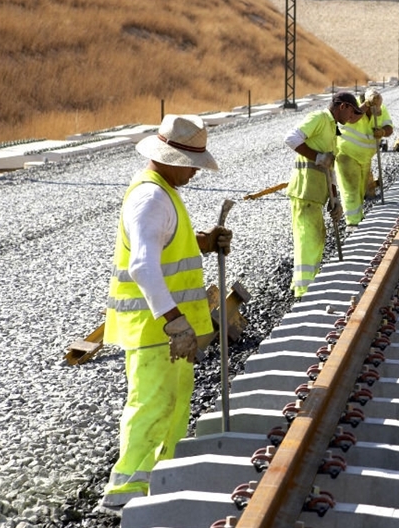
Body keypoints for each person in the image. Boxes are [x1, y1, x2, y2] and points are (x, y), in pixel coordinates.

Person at [100, 114, 232, 510]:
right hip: (156, 330)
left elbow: (166, 244)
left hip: (172, 332)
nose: (193, 173)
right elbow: (143, 265)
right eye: (190, 164)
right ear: (169, 157)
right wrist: (174, 322)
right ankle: (123, 494)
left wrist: (204, 242)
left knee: (173, 404)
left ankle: (161, 482)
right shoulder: (151, 196)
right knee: (152, 406)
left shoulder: (164, 192)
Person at [284, 91, 364, 297]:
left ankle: (302, 285)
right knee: (309, 239)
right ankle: (304, 291)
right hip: (305, 190)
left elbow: (330, 168)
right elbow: (291, 138)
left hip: (316, 193)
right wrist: (318, 157)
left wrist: (335, 200)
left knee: (317, 237)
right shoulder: (319, 118)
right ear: (343, 106)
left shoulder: (332, 128)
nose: (352, 117)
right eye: (352, 112)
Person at [336, 88, 394, 225]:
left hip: (365, 158)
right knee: (351, 189)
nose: (375, 112)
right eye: (372, 108)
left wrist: (383, 132)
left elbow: (389, 127)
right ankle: (353, 223)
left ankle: (358, 218)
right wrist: (365, 106)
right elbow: (351, 119)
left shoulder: (381, 108)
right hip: (346, 155)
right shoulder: (352, 106)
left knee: (361, 191)